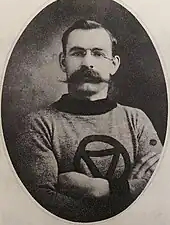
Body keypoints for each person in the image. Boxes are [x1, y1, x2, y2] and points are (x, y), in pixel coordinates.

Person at [15, 19, 162, 222]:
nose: (87, 63)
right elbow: (41, 202)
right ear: (63, 62)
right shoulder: (39, 125)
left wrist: (102, 190)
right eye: (77, 53)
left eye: (98, 53)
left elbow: (161, 188)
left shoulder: (137, 120)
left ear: (114, 64)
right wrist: (129, 193)